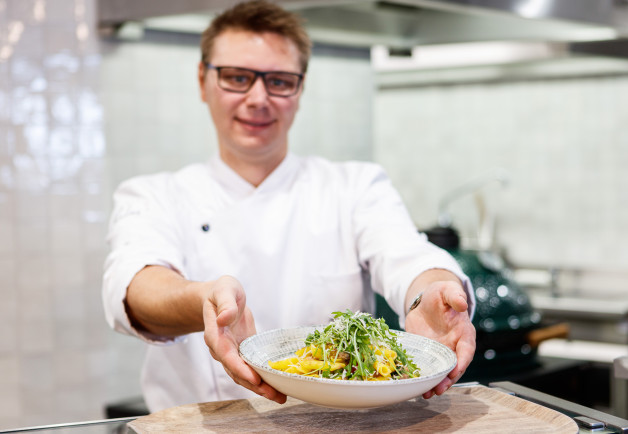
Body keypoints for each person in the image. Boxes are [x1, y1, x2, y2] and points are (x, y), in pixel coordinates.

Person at [102, 0, 476, 412]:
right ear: (202, 80)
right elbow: (136, 287)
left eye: (279, 81)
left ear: (300, 89)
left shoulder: (354, 187)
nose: (258, 98)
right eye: (237, 77)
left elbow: (407, 255)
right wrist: (204, 300)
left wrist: (433, 292)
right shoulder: (153, 195)